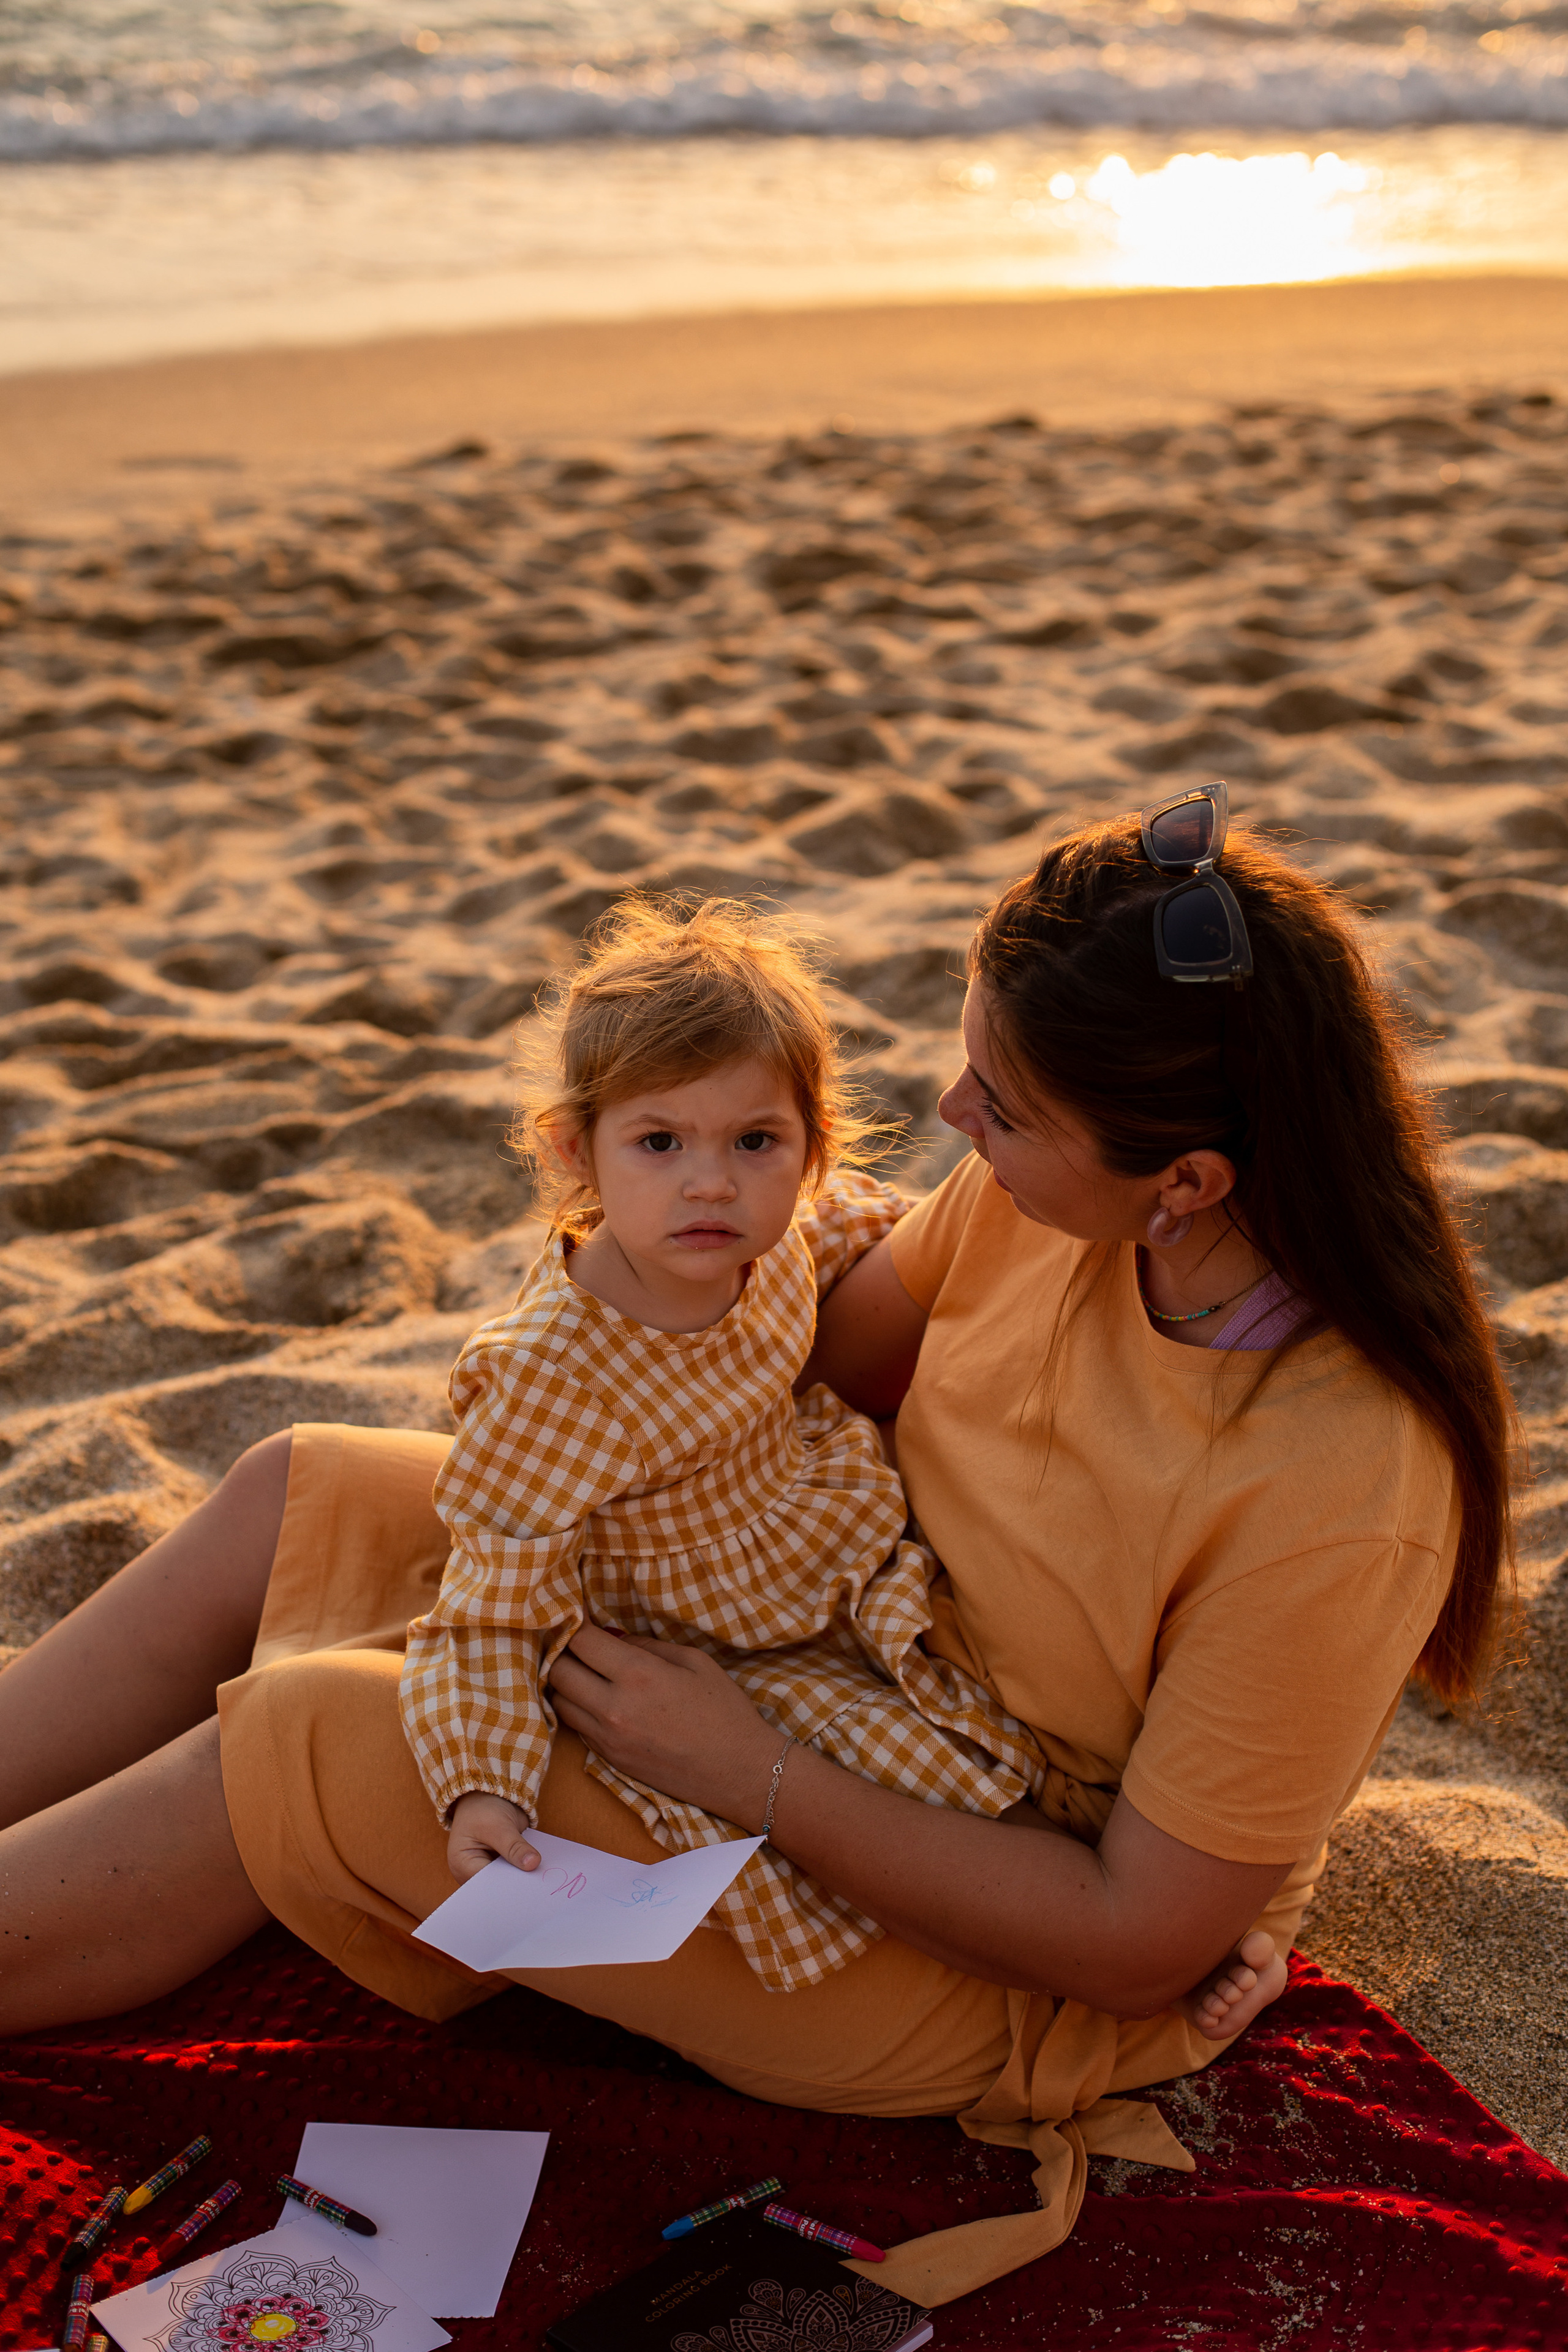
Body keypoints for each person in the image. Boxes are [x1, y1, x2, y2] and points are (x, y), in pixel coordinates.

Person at [0, 788, 1513, 2307]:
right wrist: (573, 1401)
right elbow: (795, 1361)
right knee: (300, 1491)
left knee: (333, 1735)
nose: (950, 1119)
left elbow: (1127, 1942)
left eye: (1002, 1102)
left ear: (1184, 1184)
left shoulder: (1340, 1483)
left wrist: (743, 1767)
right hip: (830, 1623)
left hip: (983, 1915)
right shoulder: (1034, 1195)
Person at [407, 897, 1047, 1994]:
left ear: (809, 1147)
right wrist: (483, 1789)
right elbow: (485, 1611)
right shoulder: (552, 1377)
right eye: (659, 1142)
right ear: (578, 1150)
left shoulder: (781, 1231)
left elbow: (876, 1235)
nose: (711, 1183)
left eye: (756, 1142)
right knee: (933, 1792)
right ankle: (1083, 1954)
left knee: (1021, 1734)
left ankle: (1156, 1918)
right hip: (708, 1644)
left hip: (829, 1540)